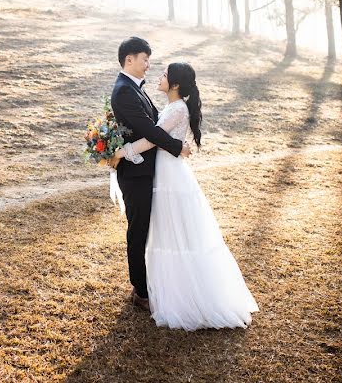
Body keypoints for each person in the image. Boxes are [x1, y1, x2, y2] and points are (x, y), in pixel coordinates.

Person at [111, 59, 259, 330]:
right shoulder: (173, 106)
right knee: (168, 231)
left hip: (169, 176)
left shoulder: (176, 108)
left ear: (175, 84)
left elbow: (152, 139)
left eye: (165, 74)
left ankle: (185, 295)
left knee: (174, 232)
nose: (159, 75)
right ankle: (165, 287)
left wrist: (121, 153)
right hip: (165, 171)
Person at [109, 37, 191, 311]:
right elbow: (150, 130)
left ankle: (147, 283)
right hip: (135, 174)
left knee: (146, 228)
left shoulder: (134, 89)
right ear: (129, 59)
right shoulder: (123, 91)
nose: (148, 65)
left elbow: (153, 126)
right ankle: (141, 291)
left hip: (146, 170)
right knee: (138, 230)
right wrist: (177, 147)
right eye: (145, 59)